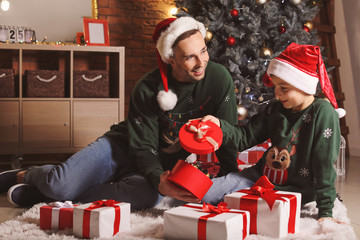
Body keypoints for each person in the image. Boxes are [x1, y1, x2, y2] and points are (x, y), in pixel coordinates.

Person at [0, 16, 241, 209]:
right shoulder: (147, 88)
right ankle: (30, 175)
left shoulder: (219, 79)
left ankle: (49, 195)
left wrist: (229, 180)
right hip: (122, 148)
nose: (202, 62)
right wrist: (159, 177)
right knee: (59, 184)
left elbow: (225, 134)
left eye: (204, 50)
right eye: (190, 57)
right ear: (171, 59)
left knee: (148, 198)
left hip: (157, 163)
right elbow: (143, 147)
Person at [201, 43, 346, 222]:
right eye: (275, 86)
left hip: (296, 189)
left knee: (259, 215)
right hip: (259, 177)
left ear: (303, 85)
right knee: (206, 195)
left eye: (283, 87)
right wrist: (219, 125)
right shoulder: (275, 109)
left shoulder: (322, 112)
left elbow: (324, 164)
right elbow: (245, 137)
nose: (277, 94)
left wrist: (325, 212)